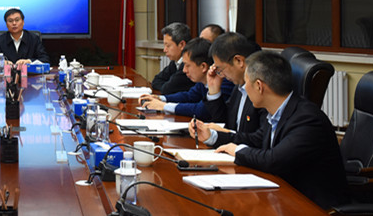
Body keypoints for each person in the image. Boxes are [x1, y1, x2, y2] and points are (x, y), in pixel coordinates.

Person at [190, 51, 348, 209]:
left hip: (311, 206)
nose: (244, 89)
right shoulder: (277, 111)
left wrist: (237, 151)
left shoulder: (307, 119)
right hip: (283, 196)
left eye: (246, 83)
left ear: (259, 86)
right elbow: (256, 139)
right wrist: (212, 136)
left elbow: (274, 160)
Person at [140, 38, 233, 120]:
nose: (184, 70)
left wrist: (164, 106)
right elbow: (189, 96)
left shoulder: (223, 81)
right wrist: (161, 98)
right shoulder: (202, 82)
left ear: (203, 66)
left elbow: (202, 110)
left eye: (187, 65)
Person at [201, 32, 264, 138]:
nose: (221, 74)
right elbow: (223, 122)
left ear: (239, 61)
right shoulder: (238, 88)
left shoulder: (261, 89)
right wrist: (214, 90)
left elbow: (260, 139)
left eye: (220, 69)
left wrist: (226, 134)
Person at [151, 22, 194, 94]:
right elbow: (156, 80)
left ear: (182, 45)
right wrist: (166, 86)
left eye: (168, 46)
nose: (164, 50)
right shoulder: (174, 63)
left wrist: (166, 86)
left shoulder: (188, 66)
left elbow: (167, 89)